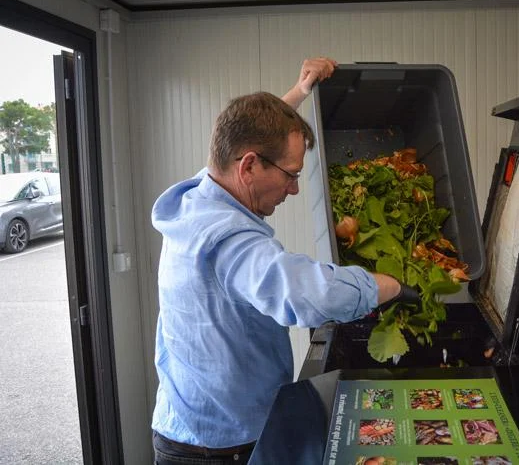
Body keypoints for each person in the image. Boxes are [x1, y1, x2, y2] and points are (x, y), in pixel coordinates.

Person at [150, 58, 414, 464]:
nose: (294, 189)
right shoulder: (228, 241)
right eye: (291, 174)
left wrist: (299, 92)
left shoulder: (200, 194)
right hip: (218, 449)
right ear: (249, 166)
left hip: (187, 421)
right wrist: (393, 285)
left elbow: (246, 134)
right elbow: (311, 295)